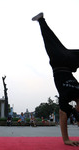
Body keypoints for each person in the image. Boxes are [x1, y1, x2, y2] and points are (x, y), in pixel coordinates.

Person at [32, 13, 79, 146]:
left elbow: (63, 116)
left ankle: (41, 20)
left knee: (50, 40)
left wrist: (66, 140)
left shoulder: (65, 97)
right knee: (51, 40)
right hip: (69, 61)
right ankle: (41, 20)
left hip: (59, 61)